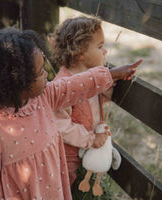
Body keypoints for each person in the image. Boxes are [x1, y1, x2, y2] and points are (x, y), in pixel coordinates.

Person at [0, 27, 141, 200]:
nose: (46, 76)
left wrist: (112, 74)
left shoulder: (45, 97)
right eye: (40, 73)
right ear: (17, 82)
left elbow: (76, 85)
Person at [52, 15, 142, 198]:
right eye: (100, 47)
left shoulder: (90, 77)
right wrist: (90, 139)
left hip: (83, 152)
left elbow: (90, 104)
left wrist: (110, 85)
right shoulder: (64, 86)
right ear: (79, 52)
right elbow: (60, 126)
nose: (105, 52)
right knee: (61, 189)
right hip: (64, 157)